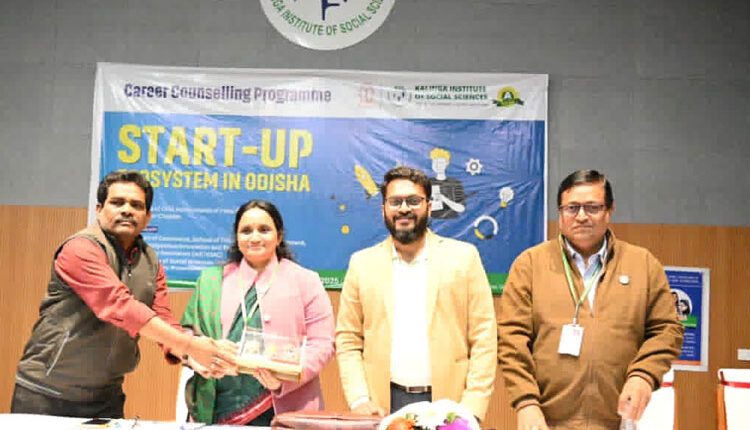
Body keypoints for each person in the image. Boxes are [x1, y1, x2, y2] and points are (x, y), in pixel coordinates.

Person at [11, 170, 237, 419]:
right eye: (117, 203)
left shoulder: (151, 261)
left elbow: (163, 316)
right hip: (46, 394)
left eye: (136, 205)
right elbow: (119, 305)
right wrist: (191, 345)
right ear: (99, 210)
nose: (127, 210)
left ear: (147, 217)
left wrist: (188, 354)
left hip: (106, 397)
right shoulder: (79, 249)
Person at [497, 169, 684, 430]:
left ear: (609, 211)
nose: (582, 216)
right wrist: (525, 401)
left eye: (593, 207)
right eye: (572, 208)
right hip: (546, 422)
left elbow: (667, 330)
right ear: (560, 214)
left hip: (621, 420)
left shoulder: (642, 264)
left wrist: (644, 375)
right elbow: (511, 340)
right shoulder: (530, 265)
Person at [336, 166, 497, 420]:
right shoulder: (362, 264)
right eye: (395, 201)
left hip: (450, 405)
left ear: (429, 207)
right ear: (383, 209)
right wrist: (359, 399)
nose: (404, 209)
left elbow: (484, 337)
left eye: (413, 201)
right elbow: (348, 338)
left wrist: (472, 407)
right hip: (382, 405)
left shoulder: (464, 258)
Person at [181, 200, 335, 425]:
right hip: (216, 406)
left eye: (264, 230)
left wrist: (284, 380)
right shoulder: (211, 280)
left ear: (279, 236)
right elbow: (186, 335)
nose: (254, 238)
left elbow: (322, 343)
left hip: (286, 406)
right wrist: (194, 357)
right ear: (236, 237)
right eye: (246, 231)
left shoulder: (305, 281)